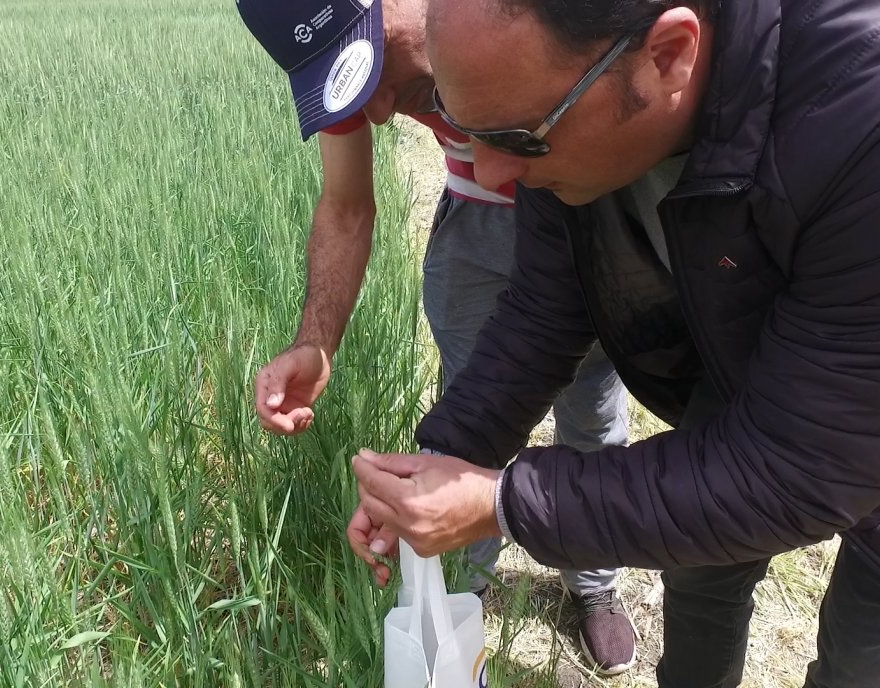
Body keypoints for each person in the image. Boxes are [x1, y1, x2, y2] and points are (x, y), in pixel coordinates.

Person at [348, 0, 880, 685]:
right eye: (465, 130)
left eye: (515, 138)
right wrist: (448, 453)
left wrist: (505, 503)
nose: (486, 175)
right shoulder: (551, 103)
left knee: (859, 656)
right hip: (753, 365)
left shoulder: (860, 114)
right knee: (703, 575)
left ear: (668, 55)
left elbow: (800, 469)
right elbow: (545, 306)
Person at [236, 0, 637, 674]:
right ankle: (465, 571)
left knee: (591, 406)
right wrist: (317, 340)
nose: (385, 109)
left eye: (377, 65)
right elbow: (346, 202)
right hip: (475, 227)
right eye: (353, 86)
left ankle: (592, 583)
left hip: (583, 198)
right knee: (473, 405)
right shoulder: (353, 63)